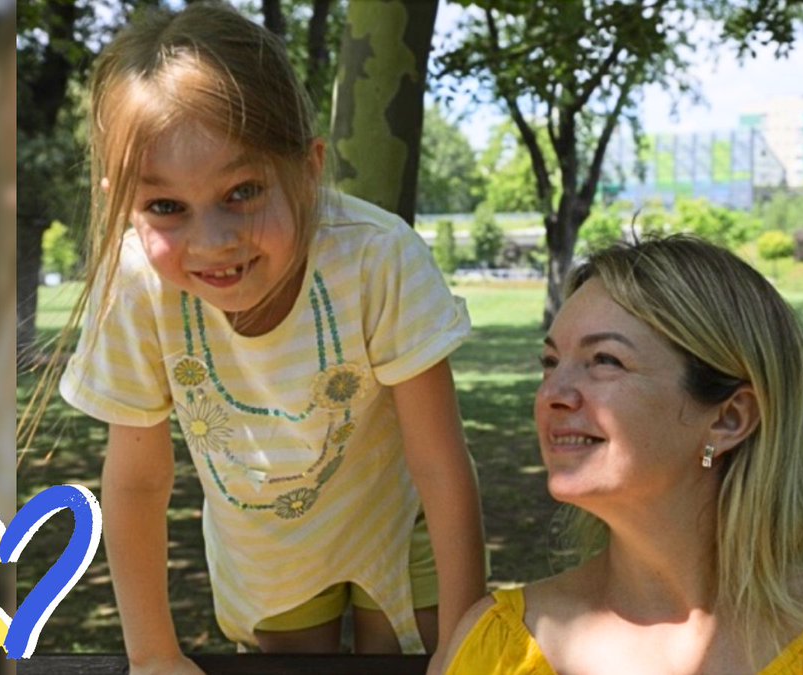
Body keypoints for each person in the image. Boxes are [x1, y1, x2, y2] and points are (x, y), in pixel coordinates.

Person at [48, 3, 485, 672]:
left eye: (243, 190)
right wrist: (154, 655)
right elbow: (137, 483)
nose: (212, 241)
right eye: (166, 207)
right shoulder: (136, 283)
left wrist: (464, 646)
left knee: (410, 651)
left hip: (401, 521)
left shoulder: (377, 259)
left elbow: (440, 466)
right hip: (269, 544)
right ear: (123, 203)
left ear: (309, 167)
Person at [440, 235, 803, 674]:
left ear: (729, 418)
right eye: (550, 362)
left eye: (604, 361)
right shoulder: (498, 646)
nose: (554, 392)